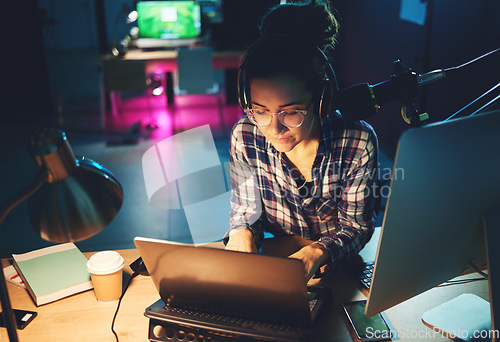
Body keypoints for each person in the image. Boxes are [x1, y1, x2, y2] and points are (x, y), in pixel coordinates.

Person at [223, 0, 379, 281]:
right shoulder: (245, 136)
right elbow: (247, 211)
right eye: (260, 110)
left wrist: (317, 252)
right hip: (277, 264)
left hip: (336, 267)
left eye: (291, 111)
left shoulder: (357, 142)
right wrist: (241, 231)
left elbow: (356, 227)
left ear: (321, 102)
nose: (274, 128)